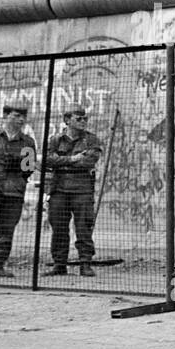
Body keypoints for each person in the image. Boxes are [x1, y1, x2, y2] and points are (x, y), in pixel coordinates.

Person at [0, 105, 37, 278]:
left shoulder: (27, 142)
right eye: (17, 115)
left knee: (6, 230)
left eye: (23, 116)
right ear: (5, 116)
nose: (21, 119)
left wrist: (17, 169)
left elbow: (28, 168)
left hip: (13, 191)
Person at [44, 107, 104, 277]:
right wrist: (72, 159)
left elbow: (89, 161)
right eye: (79, 119)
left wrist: (61, 162)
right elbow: (48, 160)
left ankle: (85, 263)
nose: (83, 121)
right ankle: (59, 264)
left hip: (82, 188)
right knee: (59, 228)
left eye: (85, 118)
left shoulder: (91, 139)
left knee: (83, 227)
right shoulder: (55, 140)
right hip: (59, 189)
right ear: (67, 120)